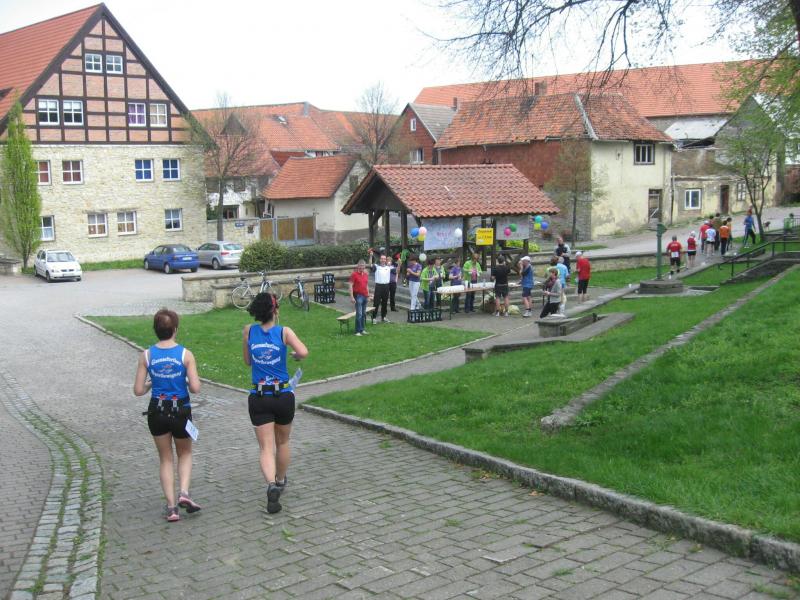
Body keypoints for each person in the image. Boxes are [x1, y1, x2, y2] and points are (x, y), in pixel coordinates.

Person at [133, 308, 202, 522]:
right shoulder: (185, 354)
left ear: (155, 330)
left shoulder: (146, 355)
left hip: (157, 411)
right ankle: (184, 493)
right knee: (185, 453)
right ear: (175, 329)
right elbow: (196, 388)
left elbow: (138, 390)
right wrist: (185, 380)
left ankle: (172, 508)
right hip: (180, 410)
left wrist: (151, 382)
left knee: (165, 458)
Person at [242, 293, 308, 515]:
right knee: (283, 441)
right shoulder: (284, 332)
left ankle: (270, 484)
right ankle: (280, 481)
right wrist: (295, 356)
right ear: (275, 311)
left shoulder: (249, 331)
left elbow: (247, 361)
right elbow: (303, 352)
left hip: (259, 397)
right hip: (283, 395)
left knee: (265, 447)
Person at [368, 250, 393, 324]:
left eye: (384, 259)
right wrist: (371, 256)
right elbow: (370, 265)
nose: (383, 260)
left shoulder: (389, 267)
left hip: (386, 286)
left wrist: (399, 264)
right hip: (378, 286)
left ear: (386, 260)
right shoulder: (376, 266)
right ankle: (374, 318)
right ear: (380, 259)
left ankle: (383, 317)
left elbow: (397, 271)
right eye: (382, 259)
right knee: (376, 302)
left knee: (385, 303)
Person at [349, 259, 370, 336]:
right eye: (360, 266)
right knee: (359, 314)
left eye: (363, 266)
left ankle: (362, 329)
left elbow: (366, 285)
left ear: (364, 267)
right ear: (358, 266)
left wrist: (368, 295)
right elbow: (350, 285)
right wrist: (352, 297)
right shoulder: (354, 274)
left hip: (365, 296)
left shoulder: (365, 274)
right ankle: (357, 331)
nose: (362, 268)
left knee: (363, 314)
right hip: (358, 296)